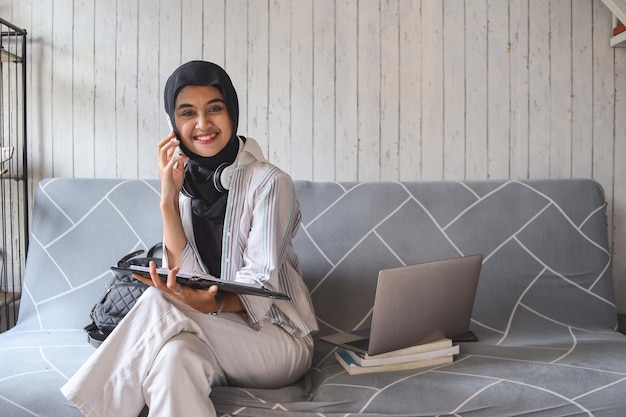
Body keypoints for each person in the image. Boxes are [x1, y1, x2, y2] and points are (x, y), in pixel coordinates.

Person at [61, 60, 318, 417]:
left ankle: (98, 408)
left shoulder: (270, 183)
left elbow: (258, 287)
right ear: (174, 126)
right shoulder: (184, 190)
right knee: (172, 360)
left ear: (232, 111)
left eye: (215, 108)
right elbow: (185, 275)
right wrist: (168, 200)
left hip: (277, 339)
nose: (202, 124)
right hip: (211, 335)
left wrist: (199, 304)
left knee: (160, 302)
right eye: (187, 113)